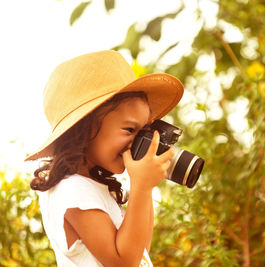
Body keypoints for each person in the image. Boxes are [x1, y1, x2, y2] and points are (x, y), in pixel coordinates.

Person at [25, 50, 184, 266]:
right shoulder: (73, 190)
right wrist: (141, 186)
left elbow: (140, 252)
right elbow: (124, 262)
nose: (138, 143)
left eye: (144, 132)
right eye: (130, 130)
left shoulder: (92, 187)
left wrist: (145, 187)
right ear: (86, 129)